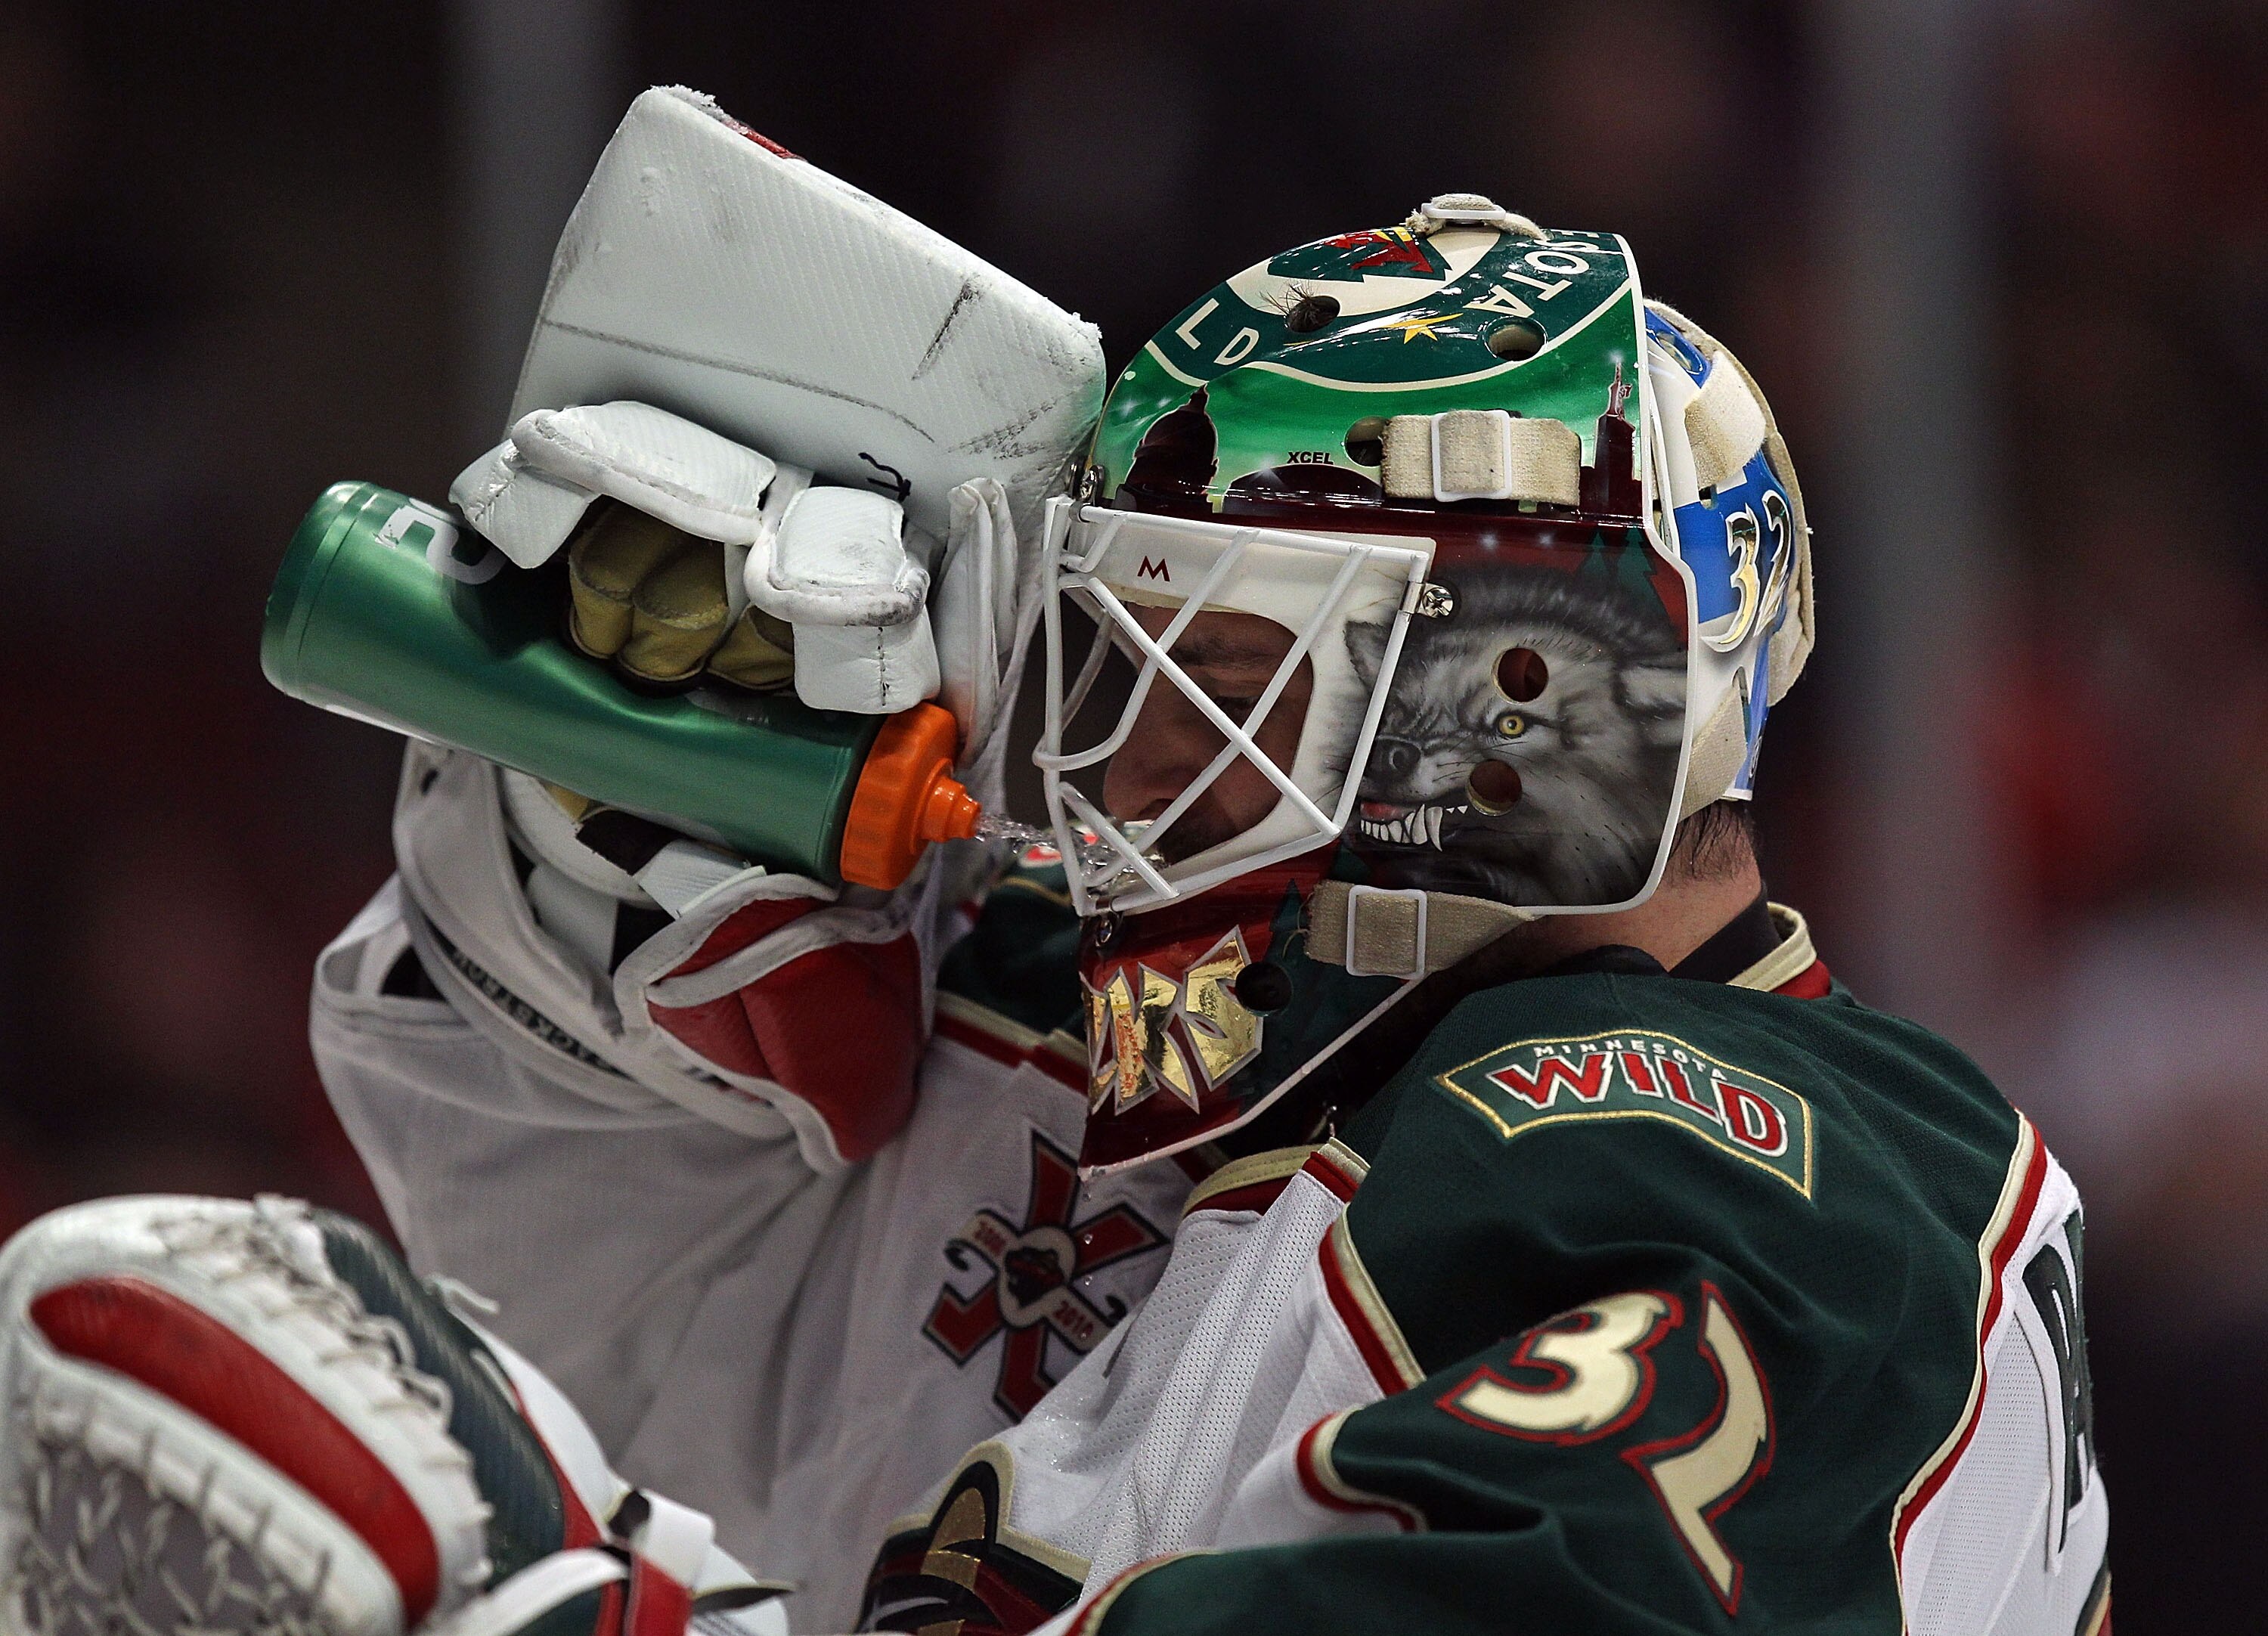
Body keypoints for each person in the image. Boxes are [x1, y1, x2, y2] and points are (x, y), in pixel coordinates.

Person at [0, 192, 2108, 1636]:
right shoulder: (1184, 1075)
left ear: (1533, 710)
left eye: (1223, 682)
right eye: (1108, 665)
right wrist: (576, 890)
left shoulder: (1794, 1183)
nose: (1121, 771)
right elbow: (629, 1333)